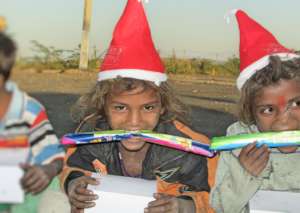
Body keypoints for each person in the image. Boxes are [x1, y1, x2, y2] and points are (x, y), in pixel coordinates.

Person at [61, 0, 216, 212]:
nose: (134, 123)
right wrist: (73, 184)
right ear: (103, 106)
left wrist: (183, 206)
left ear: (163, 106)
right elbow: (72, 167)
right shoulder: (92, 133)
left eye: (148, 108)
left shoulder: (190, 147)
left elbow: (215, 197)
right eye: (120, 108)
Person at [210, 9, 300, 213]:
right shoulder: (238, 142)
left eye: (297, 104)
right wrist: (244, 173)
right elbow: (221, 207)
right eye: (268, 110)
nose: (283, 123)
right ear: (250, 112)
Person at [0, 32, 65, 212]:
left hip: (28, 197)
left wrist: (48, 170)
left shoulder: (27, 110)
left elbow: (56, 158)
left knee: (57, 202)